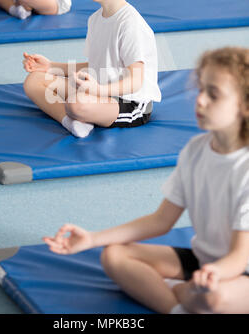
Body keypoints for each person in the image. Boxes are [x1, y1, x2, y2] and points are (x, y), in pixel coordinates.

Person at [43, 47, 249, 314]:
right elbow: (161, 220)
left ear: (244, 107)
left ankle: (182, 293)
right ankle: (177, 306)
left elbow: (239, 256)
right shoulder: (197, 150)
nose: (200, 101)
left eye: (214, 95)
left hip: (235, 269)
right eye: (201, 90)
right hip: (204, 263)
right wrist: (93, 239)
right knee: (114, 255)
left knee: (213, 299)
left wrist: (215, 273)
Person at [23, 0, 161, 138]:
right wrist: (51, 66)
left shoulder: (130, 24)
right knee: (34, 80)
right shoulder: (95, 19)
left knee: (78, 103)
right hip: (98, 90)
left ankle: (75, 113)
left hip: (128, 102)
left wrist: (97, 90)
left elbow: (135, 81)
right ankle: (70, 122)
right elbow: (95, 66)